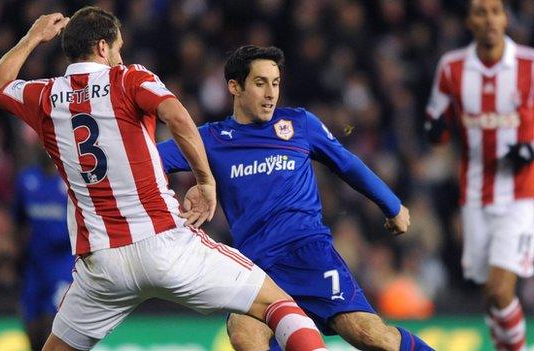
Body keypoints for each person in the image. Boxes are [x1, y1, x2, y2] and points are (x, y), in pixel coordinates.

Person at [0, 6, 327, 351]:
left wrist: (32, 37)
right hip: (163, 243)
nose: (120, 55)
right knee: (277, 305)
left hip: (102, 265)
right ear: (103, 47)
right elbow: (177, 117)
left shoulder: (44, 96)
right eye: (117, 47)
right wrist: (205, 180)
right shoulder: (129, 78)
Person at [158, 45, 434, 350]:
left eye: (275, 83)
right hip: (257, 267)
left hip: (309, 254)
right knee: (244, 336)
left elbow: (347, 164)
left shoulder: (300, 125)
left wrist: (392, 205)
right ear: (234, 87)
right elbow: (147, 161)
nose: (270, 93)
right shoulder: (211, 139)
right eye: (260, 83)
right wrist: (202, 178)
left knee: (372, 336)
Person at [425, 0, 534, 350]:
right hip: (474, 195)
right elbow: (436, 122)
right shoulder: (452, 67)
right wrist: (435, 131)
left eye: (495, 11)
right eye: (480, 12)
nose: (489, 19)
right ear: (469, 22)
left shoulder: (529, 65)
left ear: (505, 18)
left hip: (520, 193)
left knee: (503, 290)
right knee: (490, 295)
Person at [14, 148, 74, 351]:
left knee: (52, 321)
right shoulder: (26, 180)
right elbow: (19, 221)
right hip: (35, 263)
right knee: (29, 320)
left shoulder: (69, 183)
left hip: (62, 263)